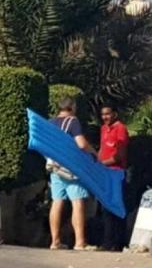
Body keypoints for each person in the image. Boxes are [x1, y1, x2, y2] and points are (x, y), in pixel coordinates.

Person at [48, 97, 96, 251]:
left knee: (57, 202)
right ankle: (79, 242)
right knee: (77, 202)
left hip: (55, 167)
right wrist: (94, 151)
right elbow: (81, 144)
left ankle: (55, 241)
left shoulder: (51, 122)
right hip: (71, 168)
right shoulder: (73, 121)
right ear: (73, 107)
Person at [98, 105, 129, 251]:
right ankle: (107, 241)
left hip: (116, 173)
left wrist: (103, 163)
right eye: (103, 115)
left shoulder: (120, 128)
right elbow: (102, 149)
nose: (105, 117)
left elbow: (120, 155)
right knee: (105, 208)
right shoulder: (104, 128)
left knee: (116, 207)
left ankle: (118, 242)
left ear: (115, 114)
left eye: (108, 114)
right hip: (104, 173)